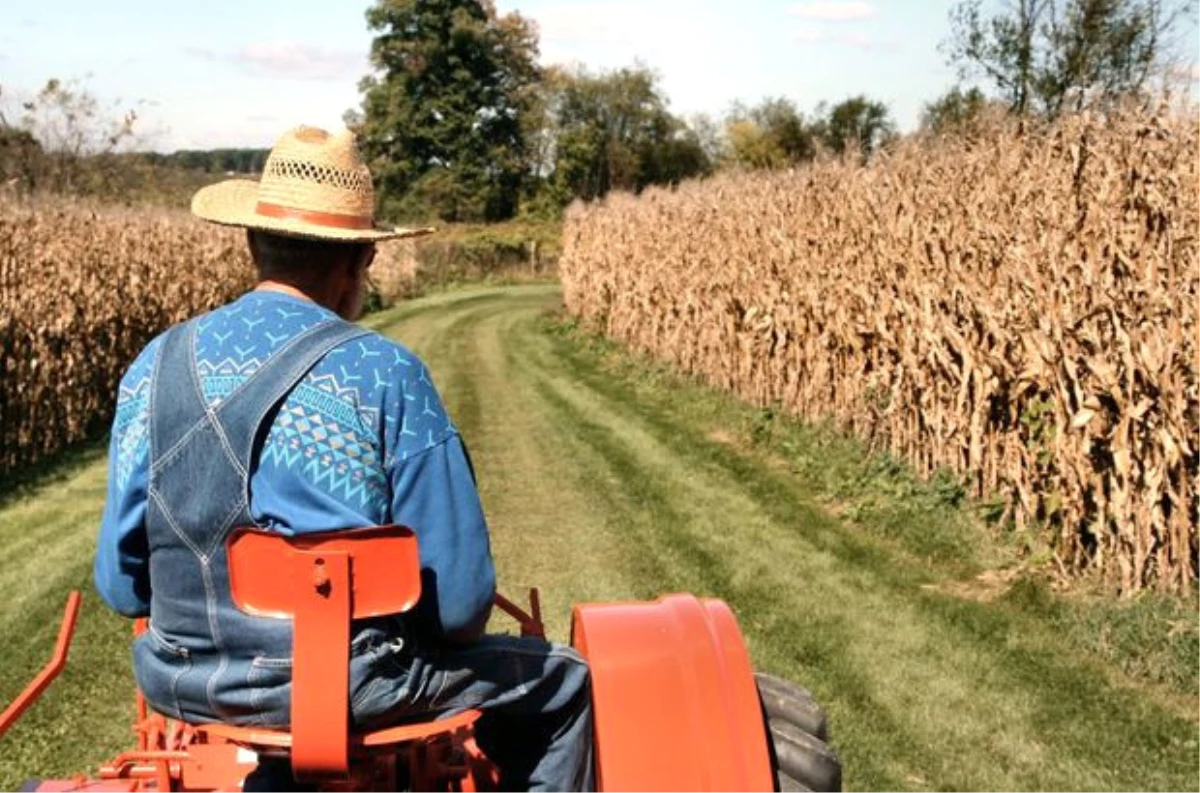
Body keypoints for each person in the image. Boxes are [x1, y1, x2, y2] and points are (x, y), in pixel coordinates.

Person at [93, 125, 593, 792]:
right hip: (351, 689)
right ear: (361, 260)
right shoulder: (383, 375)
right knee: (565, 684)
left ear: (253, 244)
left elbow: (121, 586)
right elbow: (461, 606)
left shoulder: (153, 368)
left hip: (183, 679)